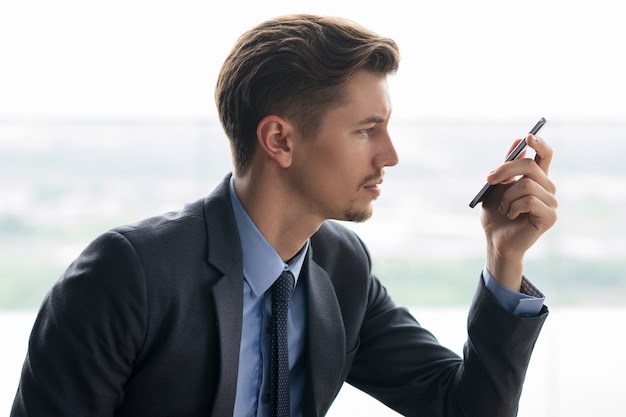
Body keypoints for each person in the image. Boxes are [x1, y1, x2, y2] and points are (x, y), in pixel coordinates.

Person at [11, 14, 558, 417]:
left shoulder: (342, 268)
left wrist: (504, 256)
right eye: (367, 130)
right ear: (279, 140)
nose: (390, 155)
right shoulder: (130, 274)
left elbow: (462, 409)